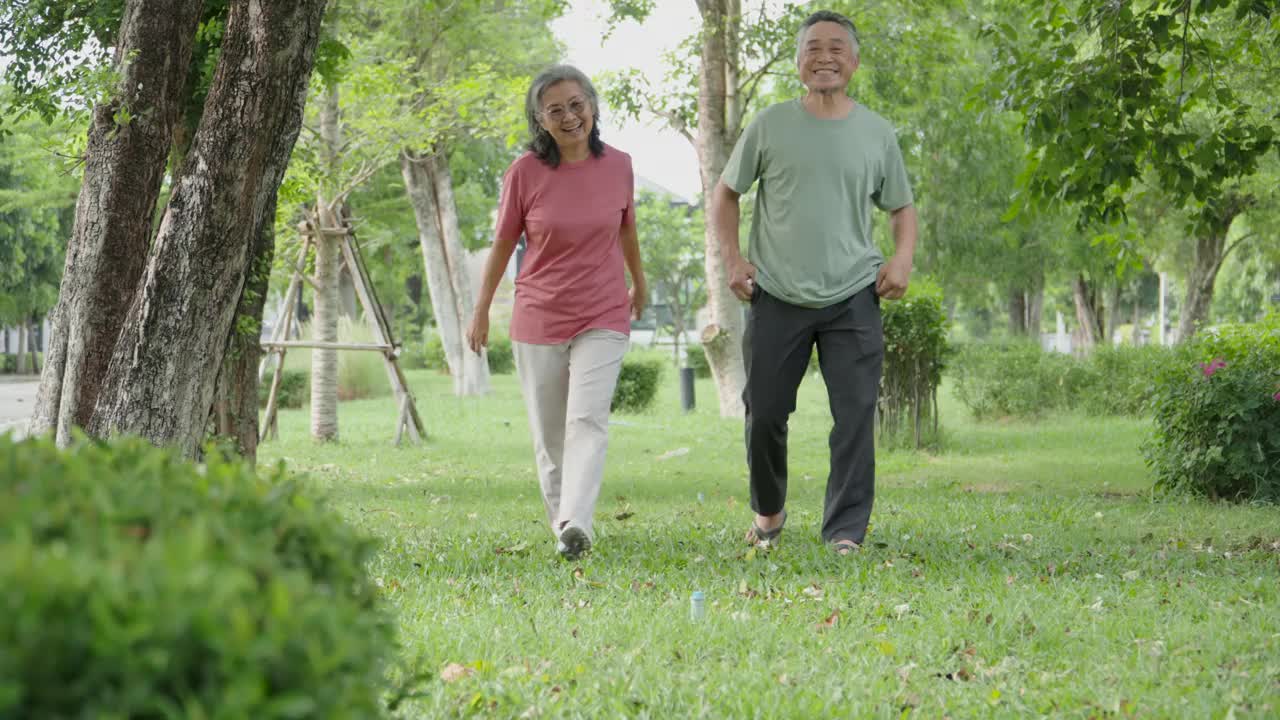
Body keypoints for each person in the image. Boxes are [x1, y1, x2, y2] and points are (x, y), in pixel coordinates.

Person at [710, 10, 918, 555]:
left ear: (853, 60)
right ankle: (769, 513)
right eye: (813, 48)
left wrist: (901, 259)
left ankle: (844, 531)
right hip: (777, 294)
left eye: (835, 48)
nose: (824, 57)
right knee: (765, 414)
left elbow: (901, 207)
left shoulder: (876, 133)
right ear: (798, 60)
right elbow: (725, 195)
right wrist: (734, 260)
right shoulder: (770, 124)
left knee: (854, 415)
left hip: (854, 295)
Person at [467, 65, 646, 561]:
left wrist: (639, 281)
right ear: (540, 120)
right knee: (550, 435)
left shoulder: (620, 165)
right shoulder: (524, 172)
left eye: (577, 104)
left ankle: (576, 523)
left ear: (592, 106)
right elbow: (503, 244)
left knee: (586, 420)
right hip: (540, 314)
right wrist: (481, 308)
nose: (570, 116)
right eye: (555, 110)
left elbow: (627, 228)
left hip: (604, 309)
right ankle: (562, 526)